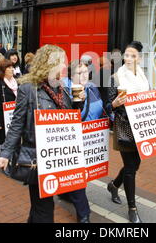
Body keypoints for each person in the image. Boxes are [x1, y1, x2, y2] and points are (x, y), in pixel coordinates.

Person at [0, 45, 72, 223]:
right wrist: (6, 152)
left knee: (40, 206)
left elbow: (72, 120)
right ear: (48, 63)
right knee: (45, 210)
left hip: (57, 156)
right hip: (36, 157)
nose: (64, 66)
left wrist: (80, 103)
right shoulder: (29, 89)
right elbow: (17, 123)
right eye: (61, 62)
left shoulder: (62, 89)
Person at [105, 41, 149, 223]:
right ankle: (132, 208)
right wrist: (115, 104)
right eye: (127, 55)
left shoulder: (143, 76)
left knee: (135, 164)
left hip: (141, 125)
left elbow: (147, 98)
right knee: (131, 168)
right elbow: (109, 105)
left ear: (139, 58)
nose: (129, 58)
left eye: (133, 55)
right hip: (124, 125)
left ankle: (114, 185)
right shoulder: (115, 77)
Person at [61, 60, 104, 223]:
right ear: (71, 76)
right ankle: (83, 213)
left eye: (86, 72)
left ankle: (65, 193)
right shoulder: (65, 91)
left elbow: (101, 108)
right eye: (79, 73)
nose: (84, 75)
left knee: (80, 172)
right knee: (79, 175)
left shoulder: (92, 87)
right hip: (73, 139)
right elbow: (65, 118)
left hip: (91, 139)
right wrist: (78, 102)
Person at [0, 59, 18, 147]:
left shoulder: (18, 83)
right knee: (6, 145)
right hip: (3, 119)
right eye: (9, 67)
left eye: (12, 67)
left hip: (16, 118)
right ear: (3, 70)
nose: (12, 69)